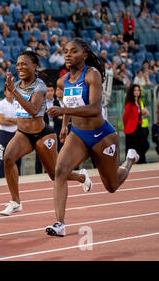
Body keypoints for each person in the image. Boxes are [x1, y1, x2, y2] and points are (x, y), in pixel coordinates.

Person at [45, 38, 140, 237]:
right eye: (65, 51)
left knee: (112, 186)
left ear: (85, 55)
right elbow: (70, 105)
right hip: (78, 135)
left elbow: (94, 109)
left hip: (101, 136)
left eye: (73, 51)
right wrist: (64, 124)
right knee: (60, 170)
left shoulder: (92, 75)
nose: (68, 54)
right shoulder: (62, 81)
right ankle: (59, 224)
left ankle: (130, 160)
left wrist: (62, 110)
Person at [1, 50, 89, 216]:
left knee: (55, 175)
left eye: (24, 64)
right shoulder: (17, 84)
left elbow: (34, 111)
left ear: (34, 66)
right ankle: (15, 201)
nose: (20, 67)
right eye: (18, 64)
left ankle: (82, 177)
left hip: (42, 135)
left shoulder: (39, 85)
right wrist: (14, 89)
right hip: (23, 134)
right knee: (8, 158)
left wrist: (13, 92)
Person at [0, 88, 21, 178]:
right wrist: (15, 121)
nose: (10, 93)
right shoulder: (0, 104)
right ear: (5, 92)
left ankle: (18, 177)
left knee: (17, 158)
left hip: (17, 134)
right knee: (3, 157)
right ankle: (1, 177)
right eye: (8, 91)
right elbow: (1, 121)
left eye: (12, 91)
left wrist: (8, 119)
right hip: (4, 134)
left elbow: (22, 121)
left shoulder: (18, 104)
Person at [123, 84, 150, 164]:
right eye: (135, 90)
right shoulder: (129, 103)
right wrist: (127, 127)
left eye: (138, 90)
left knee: (144, 145)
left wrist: (143, 113)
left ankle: (140, 160)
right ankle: (132, 162)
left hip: (139, 126)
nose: (137, 92)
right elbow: (125, 117)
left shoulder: (138, 102)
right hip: (131, 128)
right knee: (131, 147)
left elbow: (139, 114)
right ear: (132, 92)